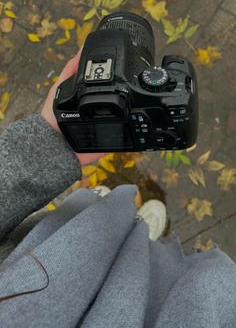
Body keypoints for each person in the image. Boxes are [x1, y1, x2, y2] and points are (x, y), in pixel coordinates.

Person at [0, 51, 236, 328]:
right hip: (189, 294)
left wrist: (49, 142)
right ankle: (134, 231)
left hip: (61, 236)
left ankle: (125, 227)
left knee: (94, 213)